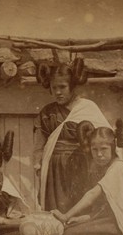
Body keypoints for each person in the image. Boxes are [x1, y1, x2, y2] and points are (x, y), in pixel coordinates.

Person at [50, 120, 123, 235]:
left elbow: (92, 195)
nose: (99, 154)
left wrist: (66, 216)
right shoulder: (104, 168)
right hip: (108, 223)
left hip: (121, 227)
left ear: (113, 148)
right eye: (94, 149)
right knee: (70, 228)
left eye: (104, 149)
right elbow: (103, 208)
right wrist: (82, 219)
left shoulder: (118, 168)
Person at [34, 58, 112, 213]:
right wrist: (37, 165)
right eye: (54, 87)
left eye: (62, 87)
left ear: (72, 86)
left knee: (79, 208)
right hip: (53, 169)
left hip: (81, 166)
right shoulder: (47, 113)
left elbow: (105, 137)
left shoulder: (88, 108)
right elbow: (39, 145)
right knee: (54, 210)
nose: (58, 92)